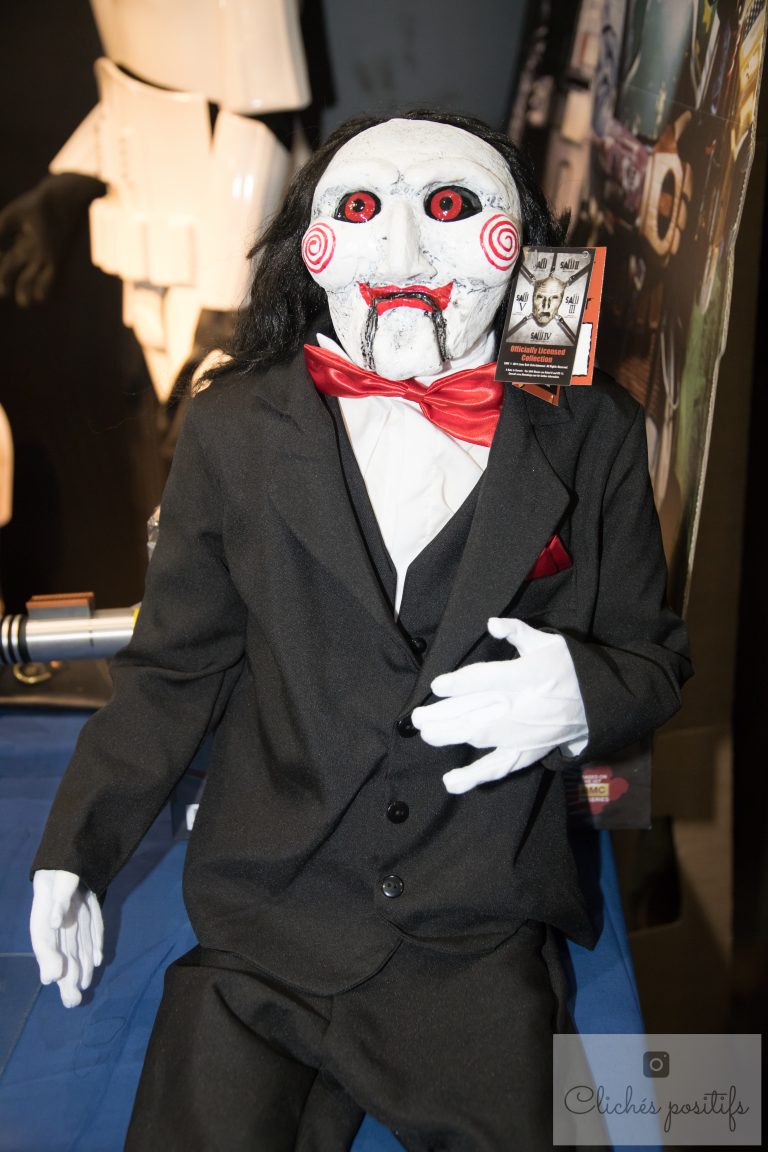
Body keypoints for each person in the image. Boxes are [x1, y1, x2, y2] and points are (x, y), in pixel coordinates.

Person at [29, 110, 691, 1151]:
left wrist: (579, 696)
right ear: (313, 243)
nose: (404, 247)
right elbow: (171, 671)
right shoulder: (234, 431)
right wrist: (75, 851)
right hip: (265, 922)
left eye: (450, 206)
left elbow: (654, 662)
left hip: (475, 928)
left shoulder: (591, 433)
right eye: (364, 207)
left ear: (521, 241)